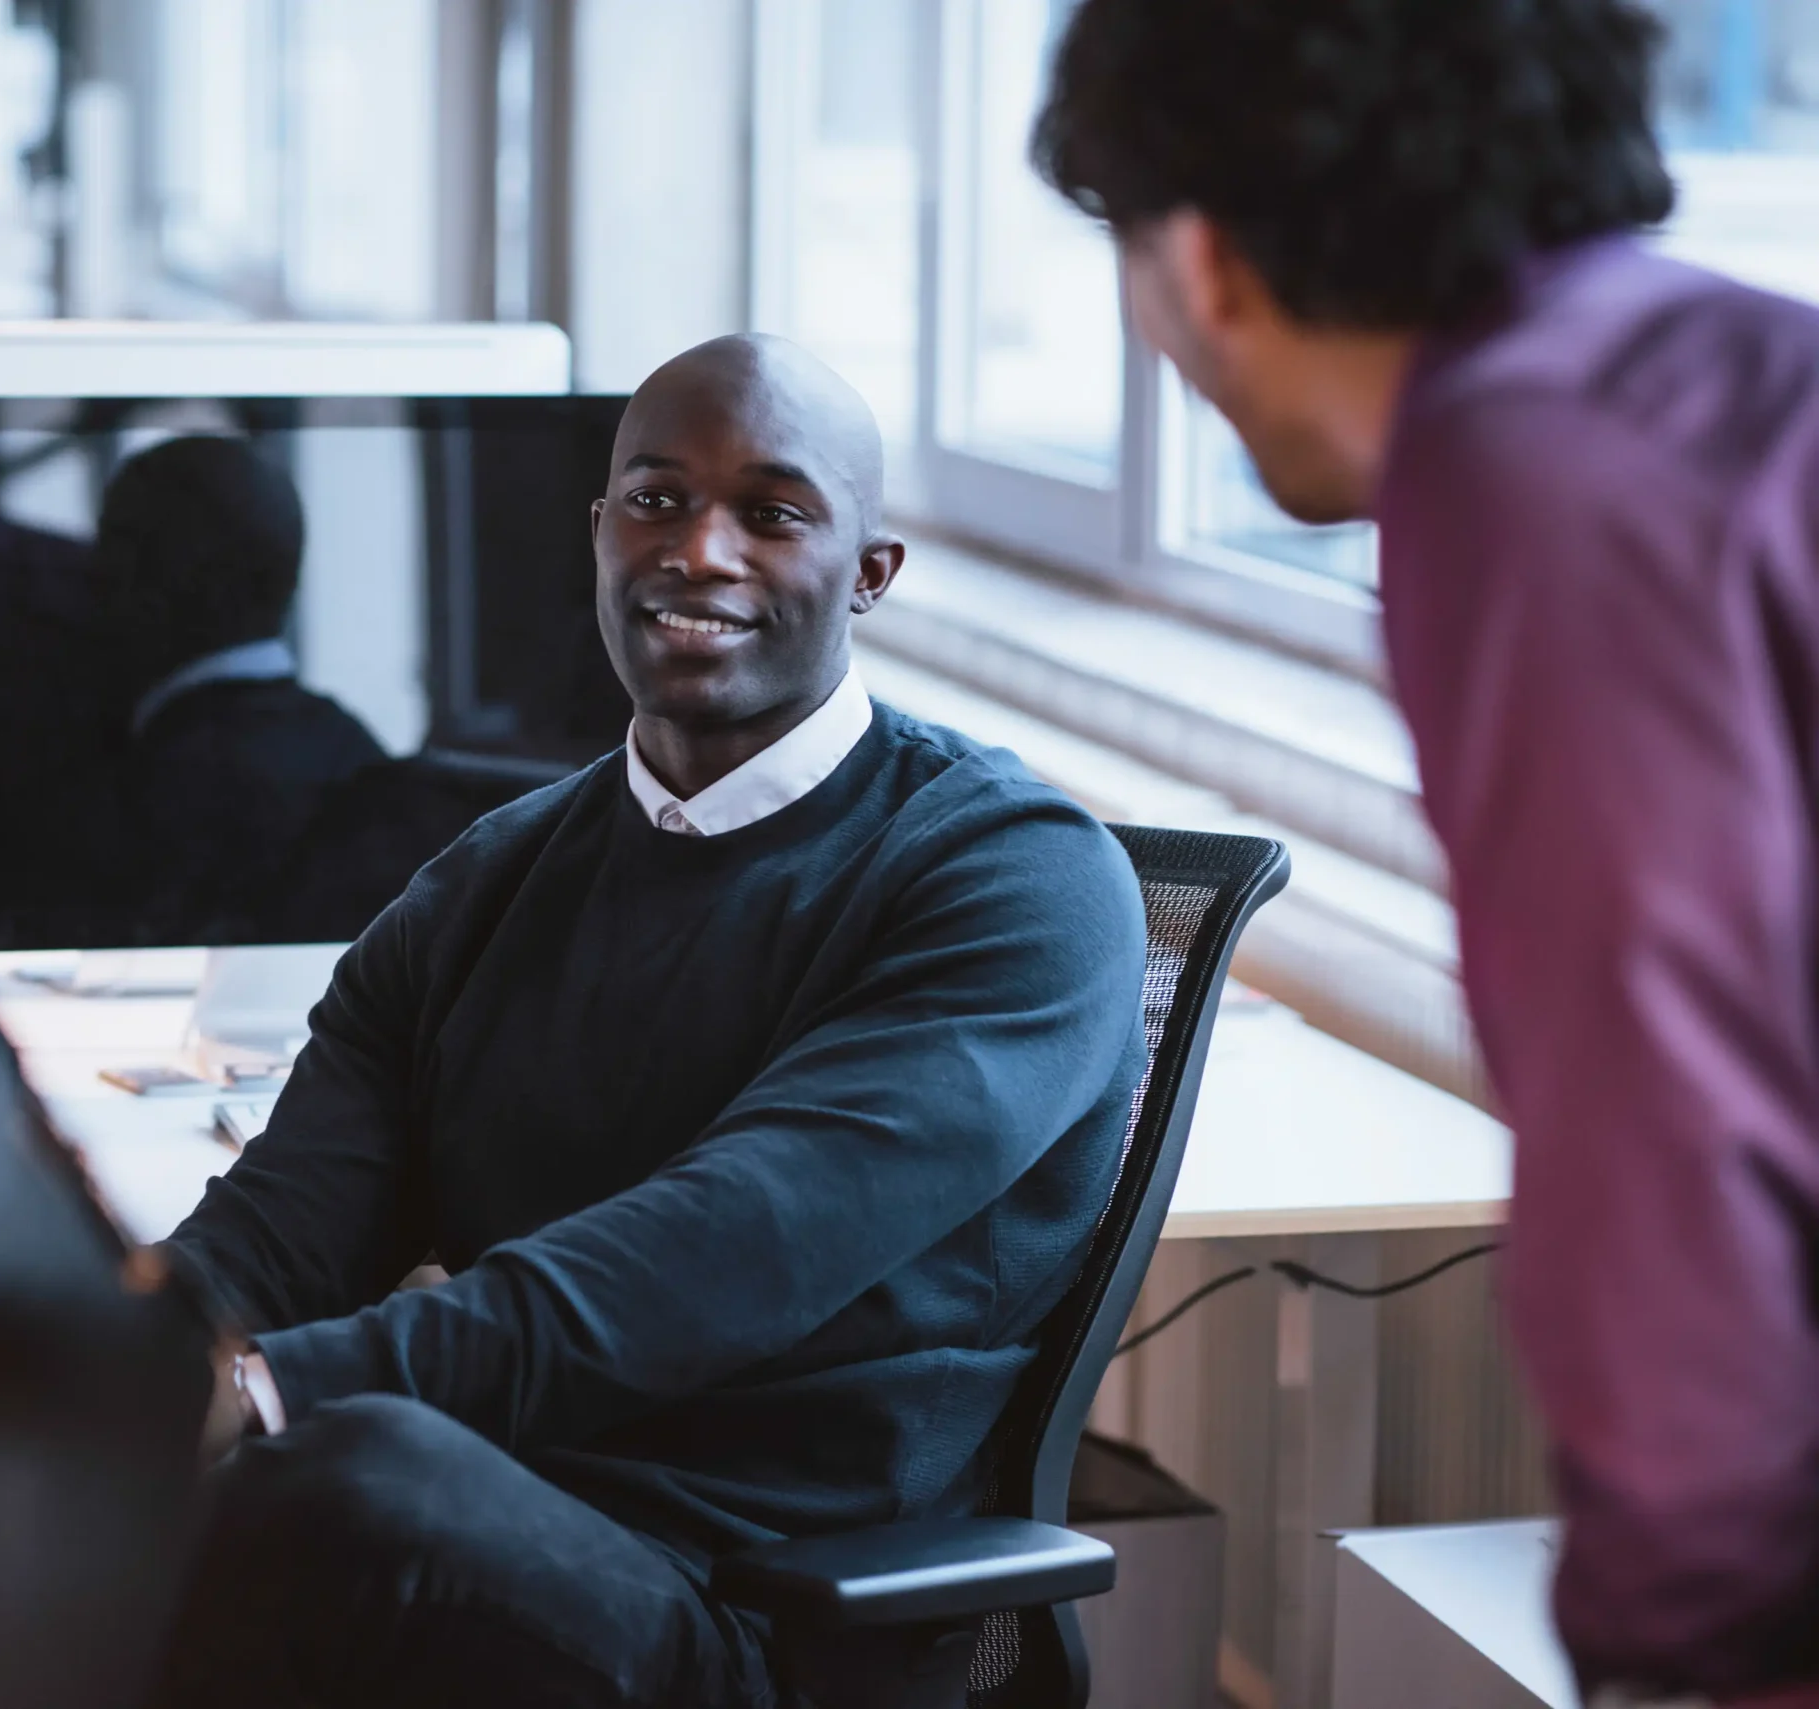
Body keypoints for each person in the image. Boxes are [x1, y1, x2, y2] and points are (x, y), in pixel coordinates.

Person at [148, 334, 1150, 1709]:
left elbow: (712, 1257)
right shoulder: (487, 878)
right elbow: (275, 1235)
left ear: (872, 573)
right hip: (502, 1534)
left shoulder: (1013, 878)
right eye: (657, 500)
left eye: (774, 513)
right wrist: (96, 1355)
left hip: (768, 1611)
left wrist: (259, 1392)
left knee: (338, 1481)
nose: (700, 550)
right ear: (600, 533)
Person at [1033, 3, 1819, 1703]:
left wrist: (1678, 1649)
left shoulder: (1529, 472)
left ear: (1202, 257)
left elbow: (1665, 1115)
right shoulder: (1732, 375)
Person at [75, 433, 385, 946]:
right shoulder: (358, 754)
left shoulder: (124, 799)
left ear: (144, 585)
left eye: (107, 552)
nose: (89, 581)